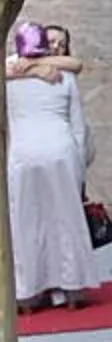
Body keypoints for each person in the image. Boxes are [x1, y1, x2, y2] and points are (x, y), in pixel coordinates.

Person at [5, 21, 94, 309]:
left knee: (26, 222)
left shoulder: (9, 77)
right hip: (60, 147)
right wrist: (81, 166)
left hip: (22, 152)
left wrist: (27, 68)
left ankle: (28, 290)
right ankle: (71, 287)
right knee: (66, 220)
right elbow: (77, 125)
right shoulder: (64, 77)